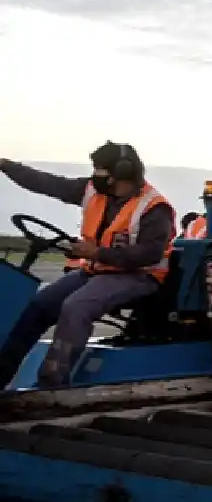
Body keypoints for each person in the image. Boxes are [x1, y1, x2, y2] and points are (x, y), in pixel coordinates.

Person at [0, 143, 176, 388]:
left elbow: (149, 254)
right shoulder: (93, 190)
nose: (95, 175)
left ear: (121, 172)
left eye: (100, 170)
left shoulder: (154, 208)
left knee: (76, 307)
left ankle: (52, 385)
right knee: (41, 304)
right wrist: (7, 166)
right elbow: (49, 183)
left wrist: (99, 253)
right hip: (96, 271)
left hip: (138, 276)